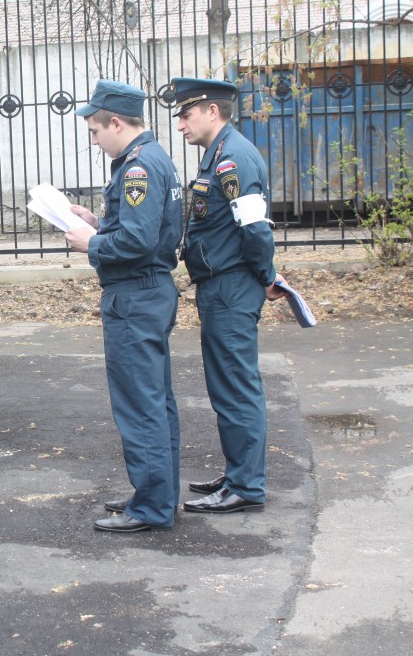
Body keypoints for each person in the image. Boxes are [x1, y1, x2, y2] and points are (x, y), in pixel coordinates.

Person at [64, 80, 183, 533]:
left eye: (95, 131)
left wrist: (91, 243)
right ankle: (158, 494)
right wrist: (97, 222)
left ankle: (152, 506)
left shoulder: (137, 167)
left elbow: (137, 241)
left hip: (135, 294)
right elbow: (138, 227)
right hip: (146, 291)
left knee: (140, 404)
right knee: (155, 400)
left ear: (116, 123)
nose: (94, 140)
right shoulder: (148, 160)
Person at [172, 77, 288, 515]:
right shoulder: (219, 154)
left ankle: (246, 486)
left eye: (186, 114)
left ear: (212, 112)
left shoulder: (232, 158)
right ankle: (239, 471)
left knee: (236, 388)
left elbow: (255, 229)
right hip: (221, 284)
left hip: (232, 286)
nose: (181, 123)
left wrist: (265, 275)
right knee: (227, 387)